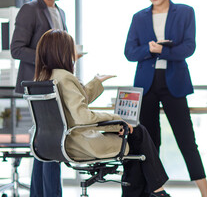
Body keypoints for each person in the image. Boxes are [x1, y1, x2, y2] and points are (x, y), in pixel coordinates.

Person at [34, 29, 170, 197]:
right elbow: (82, 117)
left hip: (56, 143)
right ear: (62, 52)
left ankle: (153, 191)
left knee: (134, 136)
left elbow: (74, 103)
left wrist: (96, 82)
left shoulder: (43, 78)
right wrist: (117, 121)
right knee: (138, 133)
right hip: (77, 142)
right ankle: (158, 191)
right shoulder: (65, 77)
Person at [124, 0, 207, 196]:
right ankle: (155, 190)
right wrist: (149, 49)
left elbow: (189, 47)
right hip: (146, 84)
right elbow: (130, 52)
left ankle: (206, 193)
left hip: (174, 82)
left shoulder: (184, 12)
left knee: (187, 141)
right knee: (149, 142)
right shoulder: (139, 17)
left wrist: (161, 50)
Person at [10, 0, 68, 196]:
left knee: (44, 144)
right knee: (52, 142)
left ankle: (38, 193)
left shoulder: (60, 12)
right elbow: (16, 49)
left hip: (55, 85)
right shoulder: (30, 10)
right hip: (37, 86)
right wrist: (47, 57)